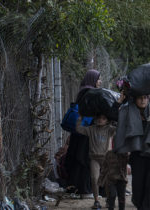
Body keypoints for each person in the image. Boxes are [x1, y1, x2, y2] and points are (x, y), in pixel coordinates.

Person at [114, 95, 150, 210]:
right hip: (138, 155)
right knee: (138, 188)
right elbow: (112, 115)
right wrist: (120, 101)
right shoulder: (127, 112)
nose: (143, 100)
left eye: (145, 97)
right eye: (140, 97)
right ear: (134, 98)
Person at [65, 69, 101, 198]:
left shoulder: (82, 90)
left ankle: (74, 189)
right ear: (92, 80)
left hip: (78, 131)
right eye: (98, 79)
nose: (99, 81)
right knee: (85, 159)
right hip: (86, 132)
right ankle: (84, 190)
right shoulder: (90, 92)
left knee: (76, 158)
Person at [76, 114, 116, 209]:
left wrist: (117, 116)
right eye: (98, 118)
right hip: (94, 158)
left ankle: (109, 200)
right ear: (95, 119)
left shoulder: (109, 129)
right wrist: (80, 118)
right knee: (94, 178)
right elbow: (78, 129)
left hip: (106, 159)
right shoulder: (90, 129)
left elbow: (120, 129)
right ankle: (96, 201)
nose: (100, 120)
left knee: (107, 181)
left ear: (107, 120)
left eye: (103, 118)